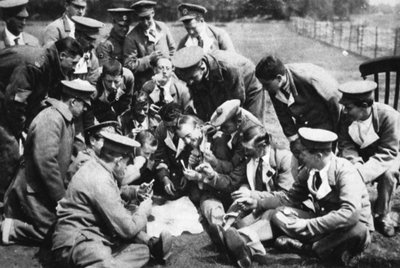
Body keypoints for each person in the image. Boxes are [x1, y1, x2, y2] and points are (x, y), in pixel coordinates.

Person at [231, 128, 373, 267]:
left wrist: (307, 225)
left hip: (347, 230)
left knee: (357, 229)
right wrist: (257, 203)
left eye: (303, 154)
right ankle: (244, 240)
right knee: (279, 213)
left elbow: (351, 214)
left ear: (318, 156)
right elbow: (289, 198)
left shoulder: (345, 171)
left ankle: (308, 249)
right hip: (323, 224)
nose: (299, 158)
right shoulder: (309, 170)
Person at [52, 131, 172, 267]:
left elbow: (114, 192)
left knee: (142, 251)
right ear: (118, 161)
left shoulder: (100, 168)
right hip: (77, 240)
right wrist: (143, 211)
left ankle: (143, 247)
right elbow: (127, 229)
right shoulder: (99, 179)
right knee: (106, 254)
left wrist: (135, 191)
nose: (127, 168)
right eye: (127, 164)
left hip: (94, 231)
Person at [2, 79, 95, 245]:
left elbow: (67, 155)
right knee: (56, 234)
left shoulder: (66, 120)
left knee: (66, 228)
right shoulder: (51, 118)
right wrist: (60, 198)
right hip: (32, 190)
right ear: (73, 101)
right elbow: (46, 162)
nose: (87, 108)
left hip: (42, 189)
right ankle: (12, 228)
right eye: (85, 104)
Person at [0, 38, 82, 196]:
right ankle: (4, 202)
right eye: (73, 63)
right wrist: (21, 130)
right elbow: (15, 101)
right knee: (10, 150)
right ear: (63, 56)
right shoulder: (36, 65)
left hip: (8, 98)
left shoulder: (51, 64)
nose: (73, 68)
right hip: (5, 101)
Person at [337, 80, 400, 237]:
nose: (345, 111)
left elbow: (389, 152)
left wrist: (362, 173)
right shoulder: (346, 117)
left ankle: (382, 214)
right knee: (344, 166)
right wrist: (356, 163)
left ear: (364, 105)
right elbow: (346, 145)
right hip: (361, 155)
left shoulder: (389, 116)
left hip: (390, 155)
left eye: (349, 107)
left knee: (388, 174)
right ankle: (352, 208)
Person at [255, 55, 341, 157]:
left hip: (325, 122)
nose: (264, 89)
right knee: (301, 155)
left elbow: (335, 103)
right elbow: (283, 115)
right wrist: (294, 140)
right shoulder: (274, 87)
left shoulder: (309, 78)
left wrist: (338, 136)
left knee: (323, 158)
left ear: (279, 78)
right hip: (304, 124)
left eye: (266, 84)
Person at [172, 46, 266, 123]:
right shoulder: (189, 73)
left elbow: (236, 102)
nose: (190, 83)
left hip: (248, 84)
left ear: (202, 67)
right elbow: (199, 102)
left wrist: (223, 122)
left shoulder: (228, 68)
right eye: (187, 79)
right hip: (222, 86)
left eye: (192, 78)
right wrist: (206, 122)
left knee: (251, 126)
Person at [123, 0, 176, 91]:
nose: (145, 22)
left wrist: (168, 65)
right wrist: (149, 59)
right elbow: (129, 65)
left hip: (168, 81)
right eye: (141, 19)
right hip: (146, 84)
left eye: (147, 18)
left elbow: (172, 49)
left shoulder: (163, 27)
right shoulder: (131, 37)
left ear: (153, 13)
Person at [153, 103, 192, 199]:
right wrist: (165, 178)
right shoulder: (160, 131)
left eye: (174, 126)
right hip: (173, 169)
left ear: (181, 118)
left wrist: (187, 173)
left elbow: (195, 153)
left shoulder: (191, 124)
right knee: (172, 193)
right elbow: (159, 157)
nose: (171, 130)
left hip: (191, 168)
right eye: (168, 127)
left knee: (194, 195)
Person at [71, 15, 103, 85]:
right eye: (89, 39)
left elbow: (93, 85)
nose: (93, 45)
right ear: (77, 35)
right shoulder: (64, 55)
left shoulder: (92, 60)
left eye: (94, 40)